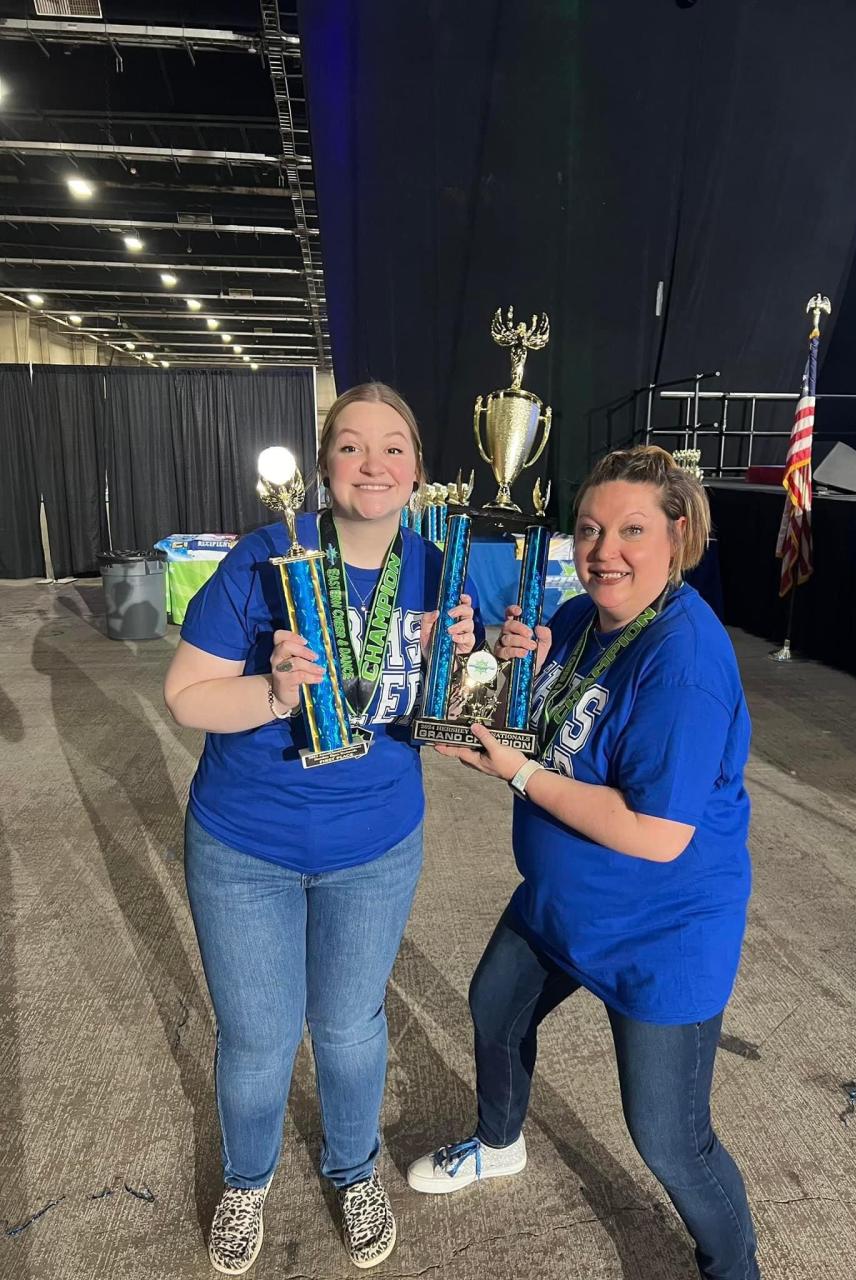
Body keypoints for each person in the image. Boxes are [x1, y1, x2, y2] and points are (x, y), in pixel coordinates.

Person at [407, 445, 760, 1280]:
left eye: (632, 530)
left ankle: (733, 1268)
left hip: (660, 932)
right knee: (495, 1007)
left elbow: (656, 833)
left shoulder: (685, 661)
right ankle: (498, 1144)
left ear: (677, 535)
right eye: (591, 529)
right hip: (562, 907)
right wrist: (495, 671)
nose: (605, 549)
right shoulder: (576, 618)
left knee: (671, 1140)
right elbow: (519, 711)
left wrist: (520, 773)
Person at [164, 382, 483, 1274]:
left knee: (349, 1027)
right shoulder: (268, 557)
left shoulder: (439, 567)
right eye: (350, 446)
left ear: (419, 470)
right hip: (245, 845)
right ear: (322, 465)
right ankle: (246, 1180)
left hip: (374, 847)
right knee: (260, 1038)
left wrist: (468, 658)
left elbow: (450, 715)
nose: (372, 464)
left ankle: (354, 1171)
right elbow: (185, 694)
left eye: (392, 447)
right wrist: (270, 691)